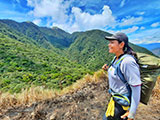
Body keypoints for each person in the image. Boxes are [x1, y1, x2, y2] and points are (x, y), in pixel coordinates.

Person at [102, 32, 141, 120]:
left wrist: (131, 113)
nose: (109, 45)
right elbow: (118, 74)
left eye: (112, 42)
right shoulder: (116, 58)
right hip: (115, 100)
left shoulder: (127, 62)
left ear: (121, 44)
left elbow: (136, 88)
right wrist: (107, 69)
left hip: (122, 105)